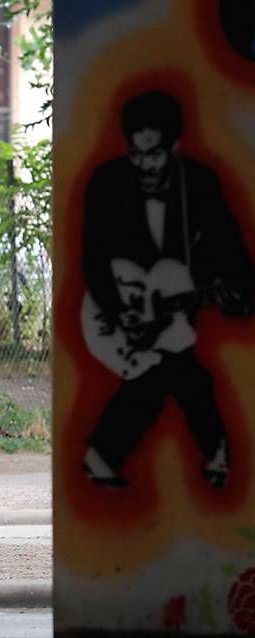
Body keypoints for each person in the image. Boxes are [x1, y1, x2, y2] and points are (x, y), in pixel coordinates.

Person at [80, 90, 254, 489]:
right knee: (180, 374)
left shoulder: (199, 185)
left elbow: (229, 250)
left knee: (169, 371)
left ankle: (103, 455)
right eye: (136, 154)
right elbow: (93, 257)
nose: (144, 165)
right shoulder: (107, 183)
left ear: (174, 145)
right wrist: (118, 311)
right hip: (112, 311)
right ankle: (216, 454)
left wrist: (235, 293)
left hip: (176, 310)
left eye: (154, 154)